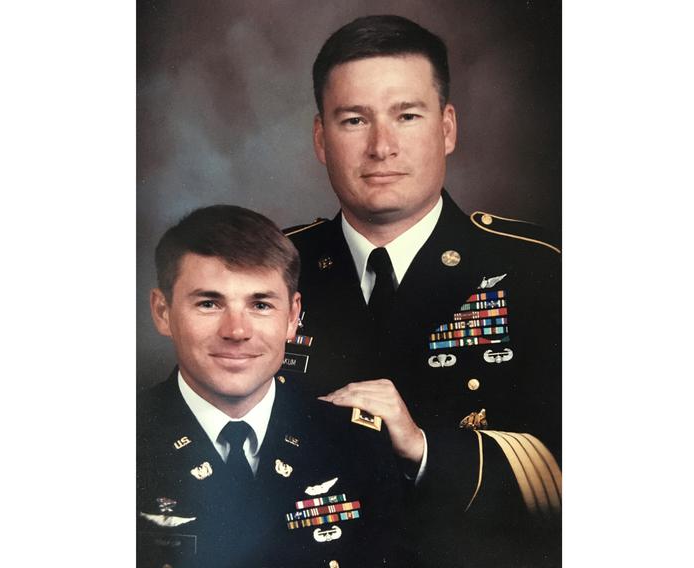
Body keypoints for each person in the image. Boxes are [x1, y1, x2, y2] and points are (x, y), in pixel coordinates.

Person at [283, 15, 562, 566]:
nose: (381, 147)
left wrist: (424, 448)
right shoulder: (274, 270)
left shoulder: (539, 270)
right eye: (353, 120)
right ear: (320, 137)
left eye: (407, 115)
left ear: (448, 127)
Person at [137, 205, 409, 568]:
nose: (236, 331)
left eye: (260, 305)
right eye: (208, 303)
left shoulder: (356, 444)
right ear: (162, 311)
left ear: (293, 317)